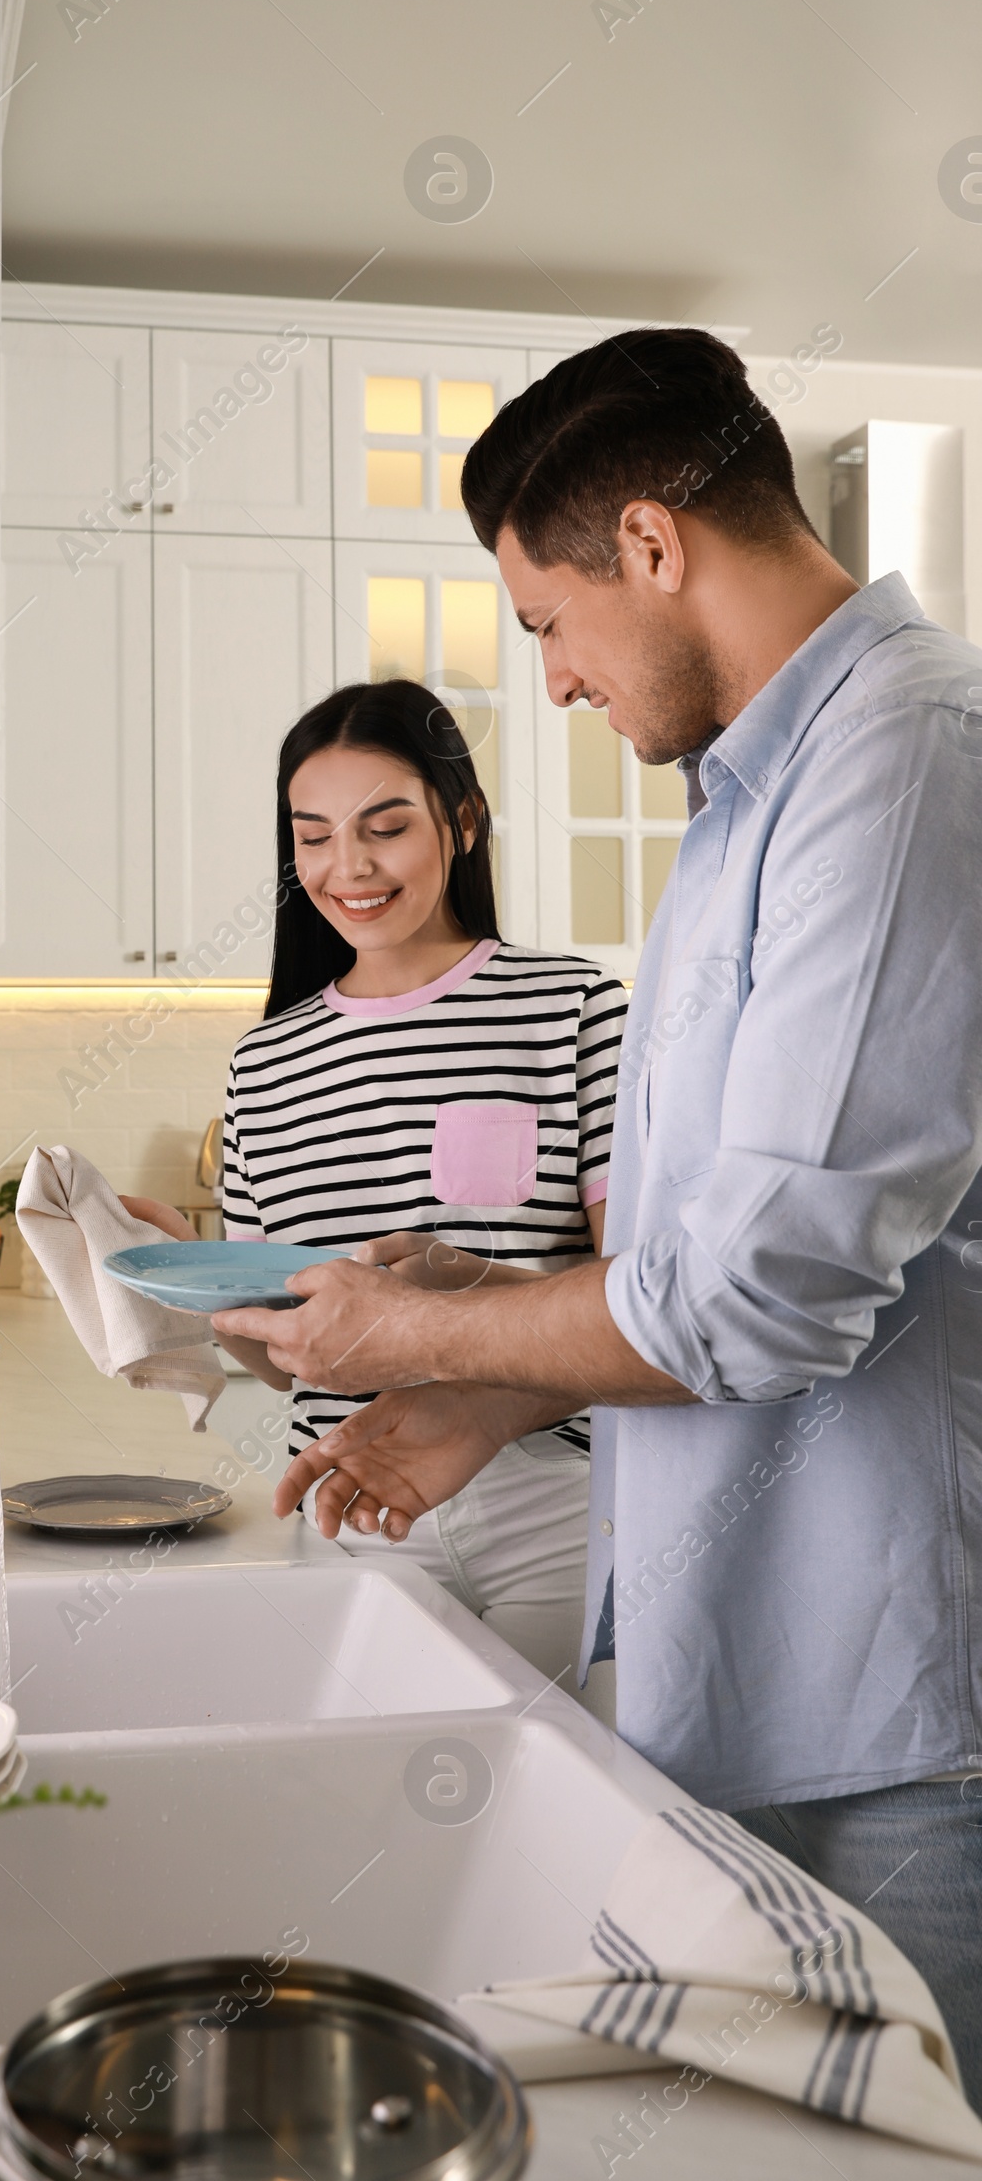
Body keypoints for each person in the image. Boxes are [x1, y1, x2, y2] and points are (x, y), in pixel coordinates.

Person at [213, 326, 982, 2102]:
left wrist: (405, 1326)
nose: (552, 683)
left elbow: (761, 1294)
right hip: (755, 1665)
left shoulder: (906, 762)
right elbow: (700, 1256)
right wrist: (494, 1374)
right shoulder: (750, 802)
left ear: (649, 545)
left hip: (899, 1703)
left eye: (548, 623)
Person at [128, 676, 627, 1702]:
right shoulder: (266, 1063)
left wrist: (466, 1292)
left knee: (570, 1810)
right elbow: (281, 1365)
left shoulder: (571, 1009)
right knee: (396, 1820)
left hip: (555, 1496)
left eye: (384, 828)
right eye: (311, 837)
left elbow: (645, 1292)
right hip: (353, 1508)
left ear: (463, 823)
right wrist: (193, 1273)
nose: (345, 867)